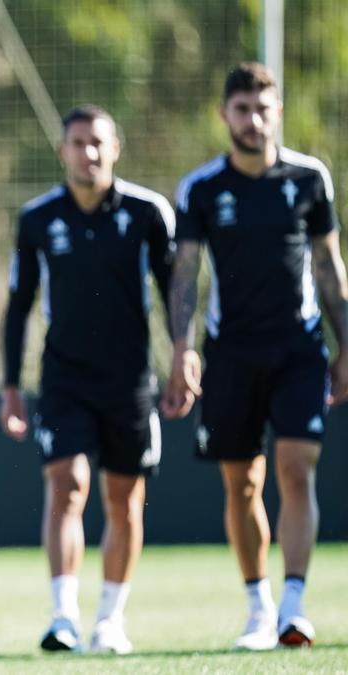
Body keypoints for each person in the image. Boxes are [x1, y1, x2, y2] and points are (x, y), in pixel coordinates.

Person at [165, 62, 348, 650]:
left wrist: (345, 348)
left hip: (299, 349)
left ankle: (294, 606)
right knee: (242, 484)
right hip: (230, 355)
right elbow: (186, 277)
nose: (253, 119)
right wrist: (181, 351)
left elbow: (328, 267)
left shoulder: (309, 177)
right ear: (225, 115)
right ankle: (258, 608)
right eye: (241, 109)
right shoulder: (201, 188)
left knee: (297, 471)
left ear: (279, 113)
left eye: (263, 108)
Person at [0, 105, 174, 654]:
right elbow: (18, 304)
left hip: (130, 382)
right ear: (64, 151)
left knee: (124, 500)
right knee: (67, 485)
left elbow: (177, 296)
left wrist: (186, 358)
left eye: (98, 142)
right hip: (64, 381)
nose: (88, 152)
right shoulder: (38, 218)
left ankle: (111, 620)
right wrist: (9, 385)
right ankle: (64, 616)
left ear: (115, 148)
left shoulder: (149, 212)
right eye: (78, 143)